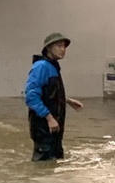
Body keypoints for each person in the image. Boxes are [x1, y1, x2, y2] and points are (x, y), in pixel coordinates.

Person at [25, 32, 83, 162]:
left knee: (54, 163)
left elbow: (49, 92)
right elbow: (31, 96)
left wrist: (66, 100)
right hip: (43, 127)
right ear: (48, 48)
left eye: (64, 46)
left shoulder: (52, 66)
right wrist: (49, 117)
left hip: (54, 127)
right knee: (43, 166)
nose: (63, 49)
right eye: (59, 46)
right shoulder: (41, 66)